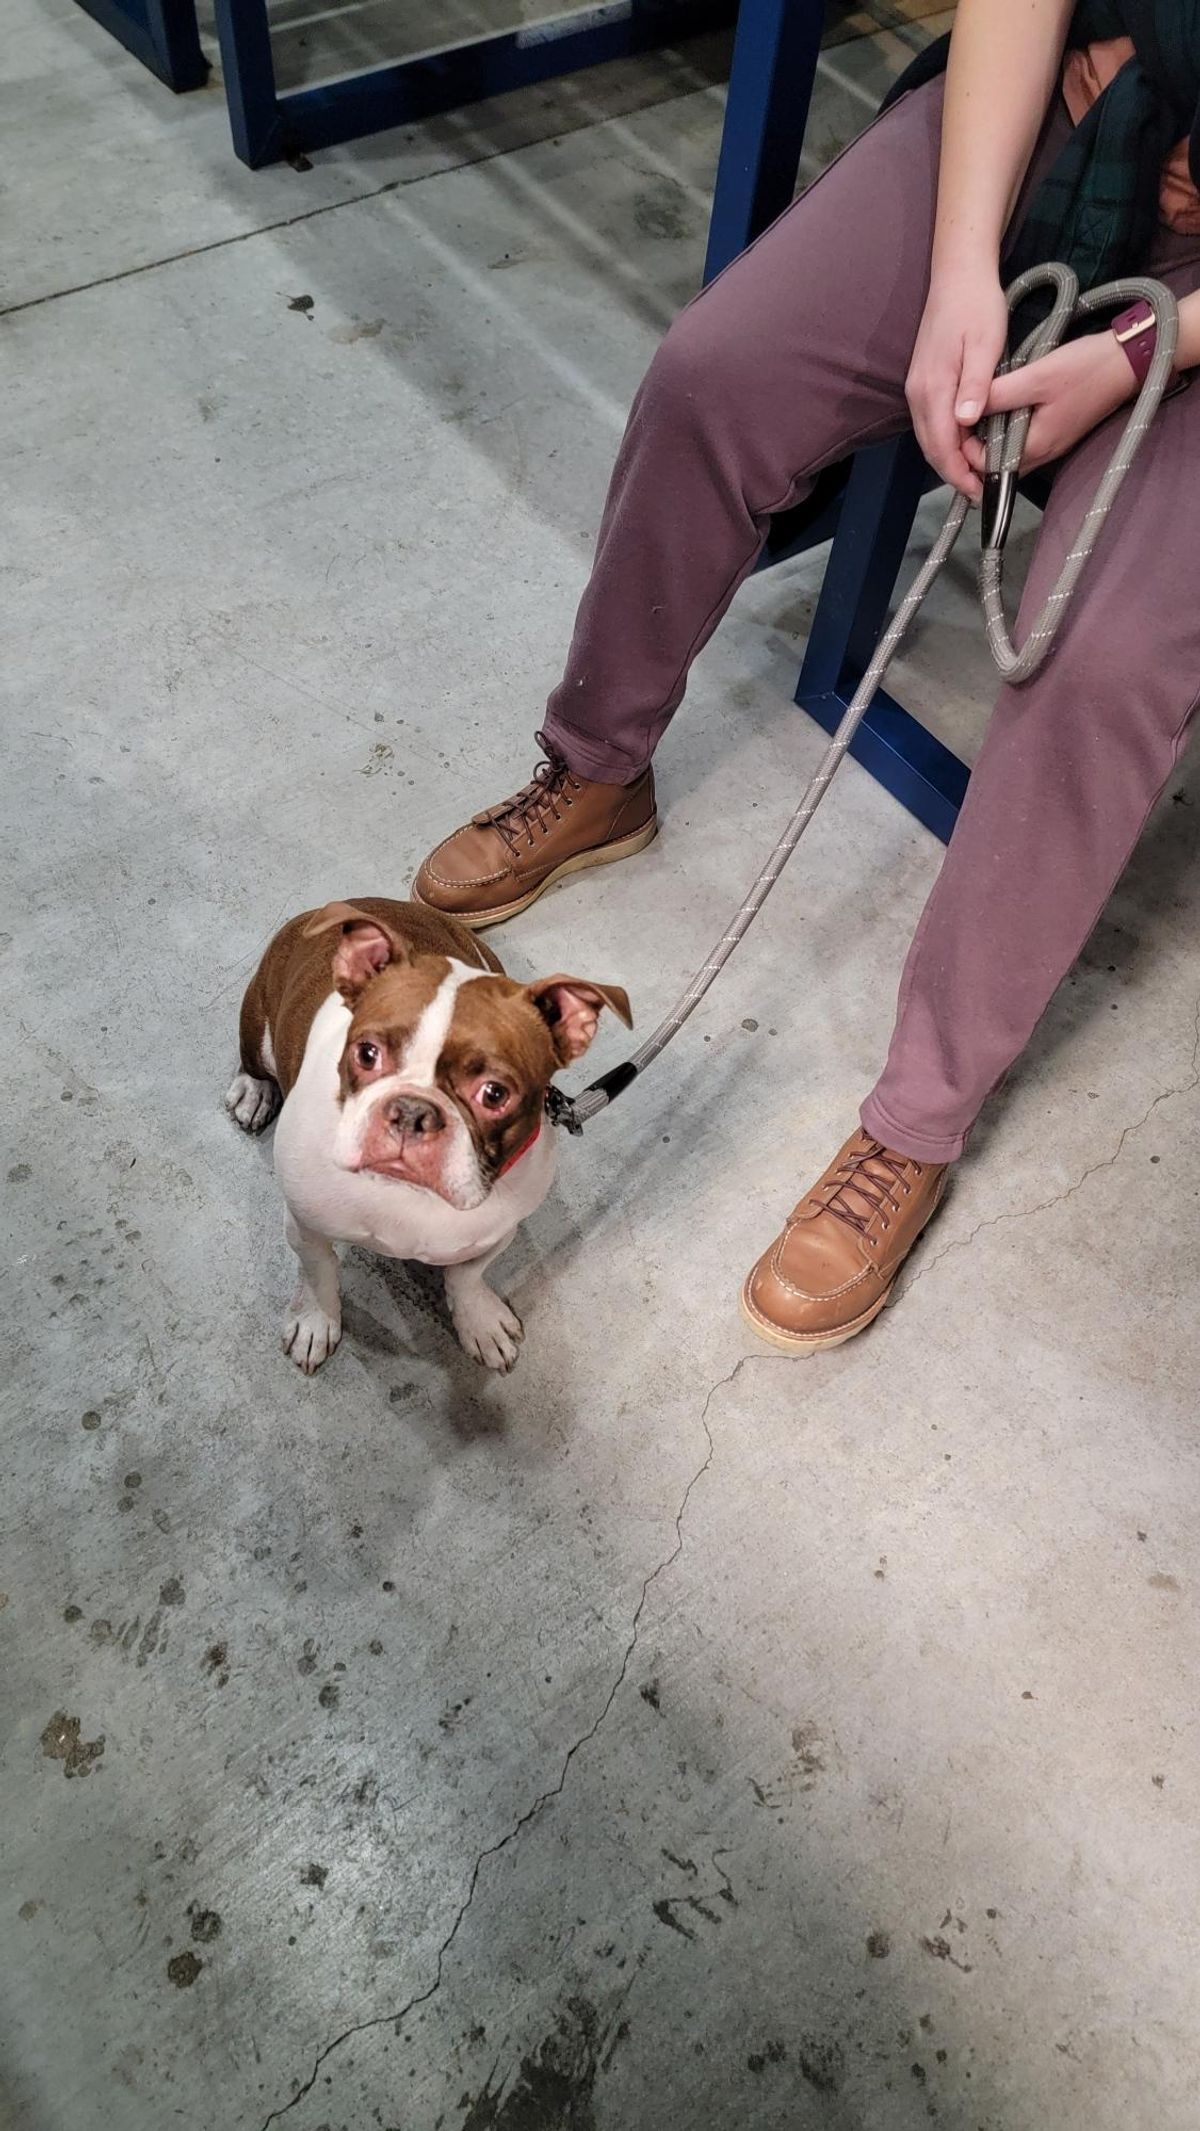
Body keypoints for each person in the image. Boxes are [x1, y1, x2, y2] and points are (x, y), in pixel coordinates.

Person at [414, 0, 1200, 1353]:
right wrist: (962, 272)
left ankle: (915, 1124)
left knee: (1102, 657)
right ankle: (598, 767)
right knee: (719, 372)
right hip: (1058, 121)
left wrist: (1145, 350)